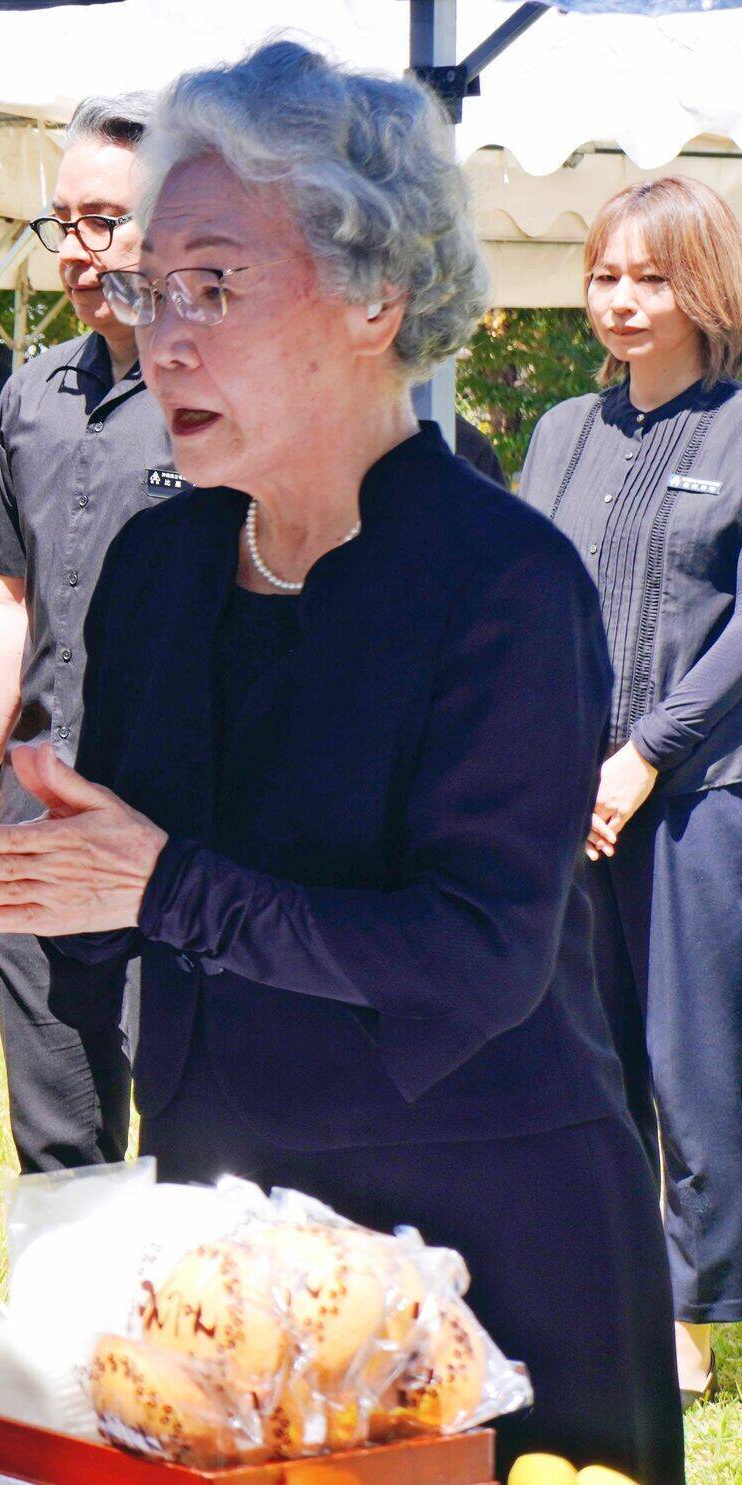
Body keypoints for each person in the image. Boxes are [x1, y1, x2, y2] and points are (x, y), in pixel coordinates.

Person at [0, 45, 683, 1480]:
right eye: (153, 289)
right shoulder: (160, 565)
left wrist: (161, 886)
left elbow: (477, 959)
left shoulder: (505, 584)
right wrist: (51, 879)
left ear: (372, 297)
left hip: (486, 1254)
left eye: (213, 286)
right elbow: (135, 898)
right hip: (232, 1231)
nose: (162, 338)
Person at [0, 91, 186, 1174]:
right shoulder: (31, 396)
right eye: (61, 223)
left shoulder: (224, 392)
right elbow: (7, 599)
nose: (77, 251)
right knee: (58, 1151)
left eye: (105, 221)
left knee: (191, 1146)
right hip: (33, 820)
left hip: (173, 832)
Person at [517, 175, 742, 1406]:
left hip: (702, 790)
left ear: (703, 285)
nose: (621, 300)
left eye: (651, 277)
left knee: (688, 1060)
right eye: (604, 275)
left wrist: (649, 750)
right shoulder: (562, 430)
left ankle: (688, 1318)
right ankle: (599, 1277)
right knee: (581, 1049)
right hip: (568, 791)